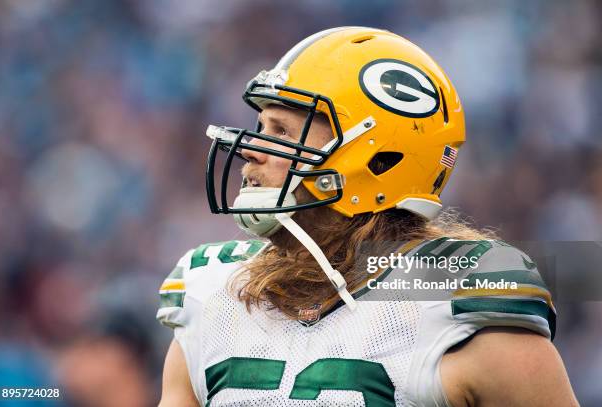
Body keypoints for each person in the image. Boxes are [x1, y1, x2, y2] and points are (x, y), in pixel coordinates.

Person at [156, 27, 578, 406]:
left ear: (375, 157)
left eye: (282, 132)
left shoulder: (458, 298)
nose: (252, 149)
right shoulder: (210, 290)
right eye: (261, 126)